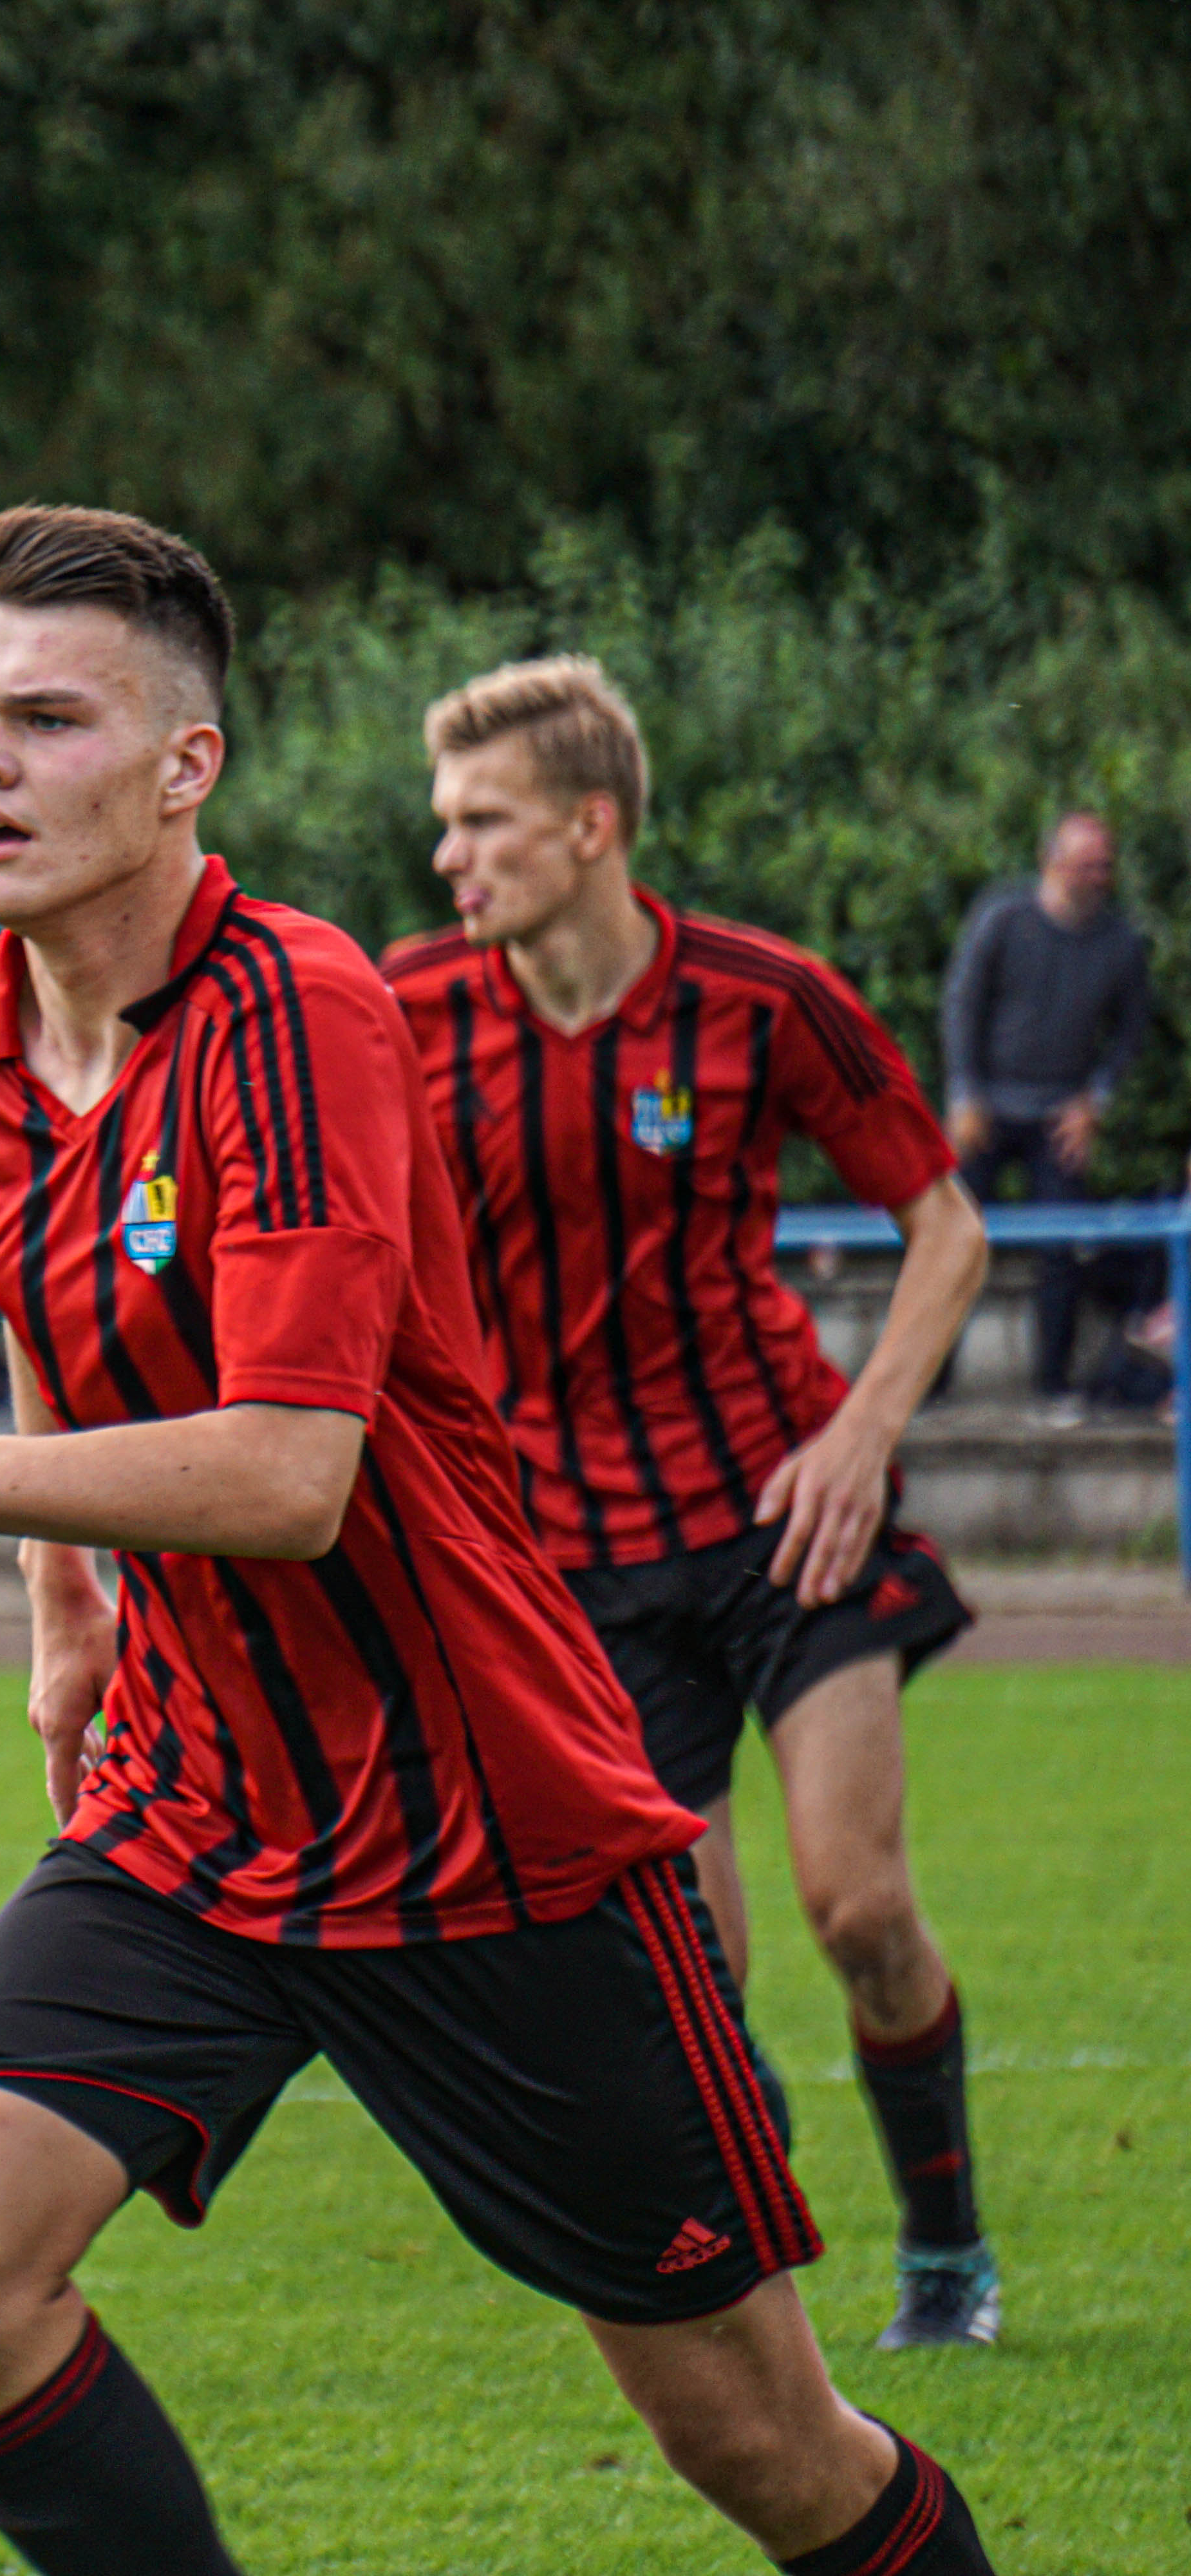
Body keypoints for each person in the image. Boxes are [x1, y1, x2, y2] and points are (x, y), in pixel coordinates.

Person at [0, 506, 993, 2575]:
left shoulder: (299, 1011)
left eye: (44, 719)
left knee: (761, 2443)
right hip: (196, 1808)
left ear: (185, 767)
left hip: (485, 1822)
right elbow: (43, 1306)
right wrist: (58, 1611)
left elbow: (281, 1474)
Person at [385, 657, 1002, 2349]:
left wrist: (865, 1433)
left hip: (786, 1519)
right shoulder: (404, 1017)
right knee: (691, 1990)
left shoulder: (762, 999)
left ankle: (945, 2254)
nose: (450, 857)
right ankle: (763, 2236)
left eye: (481, 822)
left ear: (591, 827)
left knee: (859, 1903)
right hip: (574, 1569)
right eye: (445, 825)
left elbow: (947, 1232)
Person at [939, 811, 1154, 1421]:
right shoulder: (1003, 918)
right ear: (1052, 861)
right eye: (1088, 863)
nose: (1099, 875)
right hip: (986, 1106)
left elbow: (1132, 1030)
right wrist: (963, 1095)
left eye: (1106, 864)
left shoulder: (1121, 942)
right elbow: (963, 1003)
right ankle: (927, 1389)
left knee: (1060, 1250)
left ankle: (1052, 1391)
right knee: (947, 1245)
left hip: (1060, 1114)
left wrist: (1097, 1099)